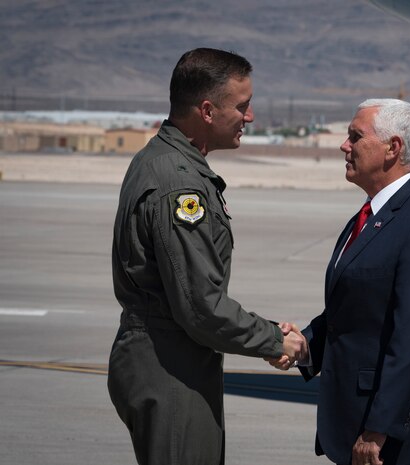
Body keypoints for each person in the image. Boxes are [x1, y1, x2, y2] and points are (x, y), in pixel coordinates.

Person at [107, 48, 306, 465]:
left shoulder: (164, 160)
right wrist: (274, 338)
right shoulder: (180, 185)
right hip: (169, 363)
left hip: (174, 355)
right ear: (207, 110)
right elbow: (200, 306)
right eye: (243, 106)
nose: (250, 117)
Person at [269, 99, 410, 465]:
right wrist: (304, 346)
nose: (345, 145)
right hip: (357, 424)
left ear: (393, 148)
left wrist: (380, 426)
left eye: (355, 136)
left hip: (396, 440)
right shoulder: (369, 216)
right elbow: (354, 314)